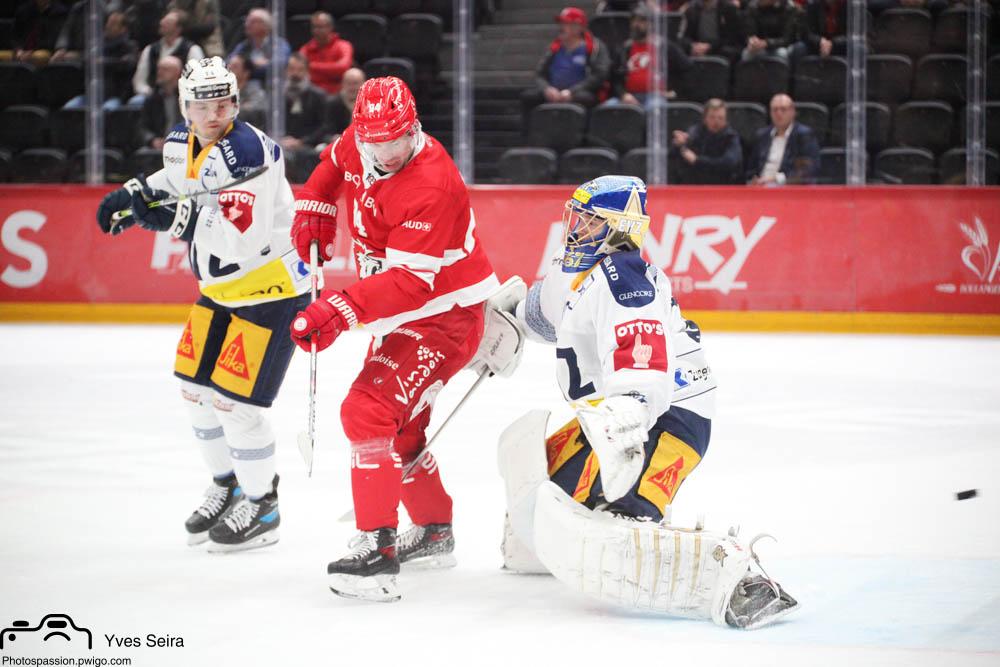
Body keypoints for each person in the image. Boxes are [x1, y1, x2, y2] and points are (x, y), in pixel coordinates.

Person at [496, 175, 799, 630]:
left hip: (667, 416)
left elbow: (642, 361)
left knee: (616, 528)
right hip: (607, 416)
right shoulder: (573, 269)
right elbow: (541, 312)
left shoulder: (627, 283)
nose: (576, 228)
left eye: (590, 221)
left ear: (619, 228)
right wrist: (502, 321)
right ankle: (548, 545)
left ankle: (739, 578)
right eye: (576, 217)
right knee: (543, 492)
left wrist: (628, 413)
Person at [287, 76, 500, 602]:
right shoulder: (360, 139)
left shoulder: (432, 183)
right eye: (375, 141)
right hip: (402, 314)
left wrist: (340, 308)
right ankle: (433, 530)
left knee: (367, 412)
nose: (386, 152)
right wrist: (315, 203)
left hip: (442, 317)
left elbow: (409, 283)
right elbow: (332, 165)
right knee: (399, 430)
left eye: (397, 139)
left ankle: (377, 552)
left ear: (414, 127)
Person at [95, 56, 310, 553]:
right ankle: (228, 484)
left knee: (235, 403)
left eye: (223, 104)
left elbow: (243, 238)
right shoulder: (181, 140)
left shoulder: (247, 152)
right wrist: (135, 192)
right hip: (219, 290)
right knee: (195, 390)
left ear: (235, 102)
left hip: (271, 291)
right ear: (184, 107)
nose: (214, 114)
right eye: (202, 105)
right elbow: (180, 178)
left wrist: (173, 221)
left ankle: (262, 506)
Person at [521, 6, 611, 116]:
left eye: (565, 23)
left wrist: (571, 91)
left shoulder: (594, 47)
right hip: (553, 92)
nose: (561, 27)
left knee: (585, 99)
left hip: (580, 93)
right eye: (561, 23)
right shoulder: (554, 47)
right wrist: (547, 89)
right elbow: (539, 74)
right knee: (529, 97)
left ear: (578, 27)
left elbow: (599, 75)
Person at [608, 3, 691, 106]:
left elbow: (687, 68)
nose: (636, 24)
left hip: (656, 96)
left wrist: (675, 91)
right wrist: (623, 95)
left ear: (651, 24)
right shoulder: (625, 49)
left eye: (642, 21)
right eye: (634, 21)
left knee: (654, 107)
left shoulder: (664, 46)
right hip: (630, 96)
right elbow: (615, 78)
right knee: (609, 107)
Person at [746, 93, 820, 185]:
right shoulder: (762, 135)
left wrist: (776, 179)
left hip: (787, 187)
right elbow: (751, 169)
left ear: (792, 112)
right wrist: (753, 179)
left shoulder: (804, 135)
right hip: (760, 187)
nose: (779, 113)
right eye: (775, 110)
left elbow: (808, 170)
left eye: (783, 109)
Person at [132, 10, 205, 103]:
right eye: (163, 20)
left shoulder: (192, 49)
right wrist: (151, 93)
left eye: (168, 22)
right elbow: (139, 80)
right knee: (136, 102)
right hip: (152, 96)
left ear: (178, 28)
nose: (161, 23)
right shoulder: (150, 49)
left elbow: (198, 80)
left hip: (183, 96)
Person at [670, 98, 743, 184]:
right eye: (712, 117)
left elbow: (729, 163)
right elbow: (675, 156)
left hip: (723, 185)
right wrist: (678, 145)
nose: (716, 122)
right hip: (695, 185)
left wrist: (698, 161)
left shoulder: (731, 137)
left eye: (720, 118)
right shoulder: (695, 133)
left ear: (726, 121)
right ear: (705, 119)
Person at [228, 8, 291, 84]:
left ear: (265, 25)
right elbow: (229, 63)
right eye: (247, 21)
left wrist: (247, 66)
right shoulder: (244, 45)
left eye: (252, 22)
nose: (247, 24)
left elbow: (278, 66)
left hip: (270, 87)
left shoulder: (279, 44)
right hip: (245, 87)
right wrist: (253, 64)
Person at [299, 11, 354, 95]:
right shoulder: (305, 49)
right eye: (314, 27)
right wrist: (332, 72)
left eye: (320, 27)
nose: (316, 31)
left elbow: (343, 68)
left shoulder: (344, 46)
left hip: (338, 95)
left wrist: (312, 66)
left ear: (330, 27)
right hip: (313, 96)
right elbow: (301, 71)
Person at [678, 0, 745, 63]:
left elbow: (733, 37)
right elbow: (685, 36)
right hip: (697, 48)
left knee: (730, 52)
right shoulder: (692, 9)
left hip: (720, 48)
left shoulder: (728, 8)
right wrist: (692, 46)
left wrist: (710, 47)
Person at [138, 55, 183, 149]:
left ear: (177, 72)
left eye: (165, 69)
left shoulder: (187, 97)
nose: (159, 72)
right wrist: (152, 140)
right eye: (159, 69)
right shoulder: (152, 99)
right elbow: (142, 127)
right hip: (159, 146)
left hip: (184, 142)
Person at [325, 67, 365, 143]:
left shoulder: (370, 103)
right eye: (348, 83)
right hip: (340, 142)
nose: (352, 87)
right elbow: (326, 131)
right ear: (343, 84)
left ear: (363, 83)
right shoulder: (333, 103)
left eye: (355, 83)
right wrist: (333, 137)